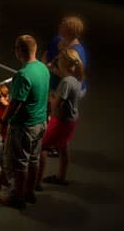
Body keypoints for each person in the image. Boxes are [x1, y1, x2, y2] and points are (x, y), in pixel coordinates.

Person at [0, 34, 49, 209]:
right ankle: (29, 192)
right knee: (33, 159)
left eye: (16, 48)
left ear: (21, 50)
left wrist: (4, 120)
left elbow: (16, 103)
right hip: (40, 122)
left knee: (20, 163)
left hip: (24, 126)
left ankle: (16, 197)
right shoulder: (43, 68)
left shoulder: (23, 74)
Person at [36, 48, 86, 189]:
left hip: (60, 121)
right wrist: (51, 68)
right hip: (71, 120)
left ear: (62, 64)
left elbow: (55, 104)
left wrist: (49, 96)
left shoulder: (65, 83)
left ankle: (37, 182)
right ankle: (61, 177)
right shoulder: (77, 79)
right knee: (63, 147)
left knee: (42, 148)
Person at [45, 15, 89, 93]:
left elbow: (75, 79)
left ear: (71, 32)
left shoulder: (77, 52)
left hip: (67, 89)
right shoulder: (57, 39)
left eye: (63, 27)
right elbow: (46, 55)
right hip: (53, 84)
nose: (59, 27)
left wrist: (53, 69)